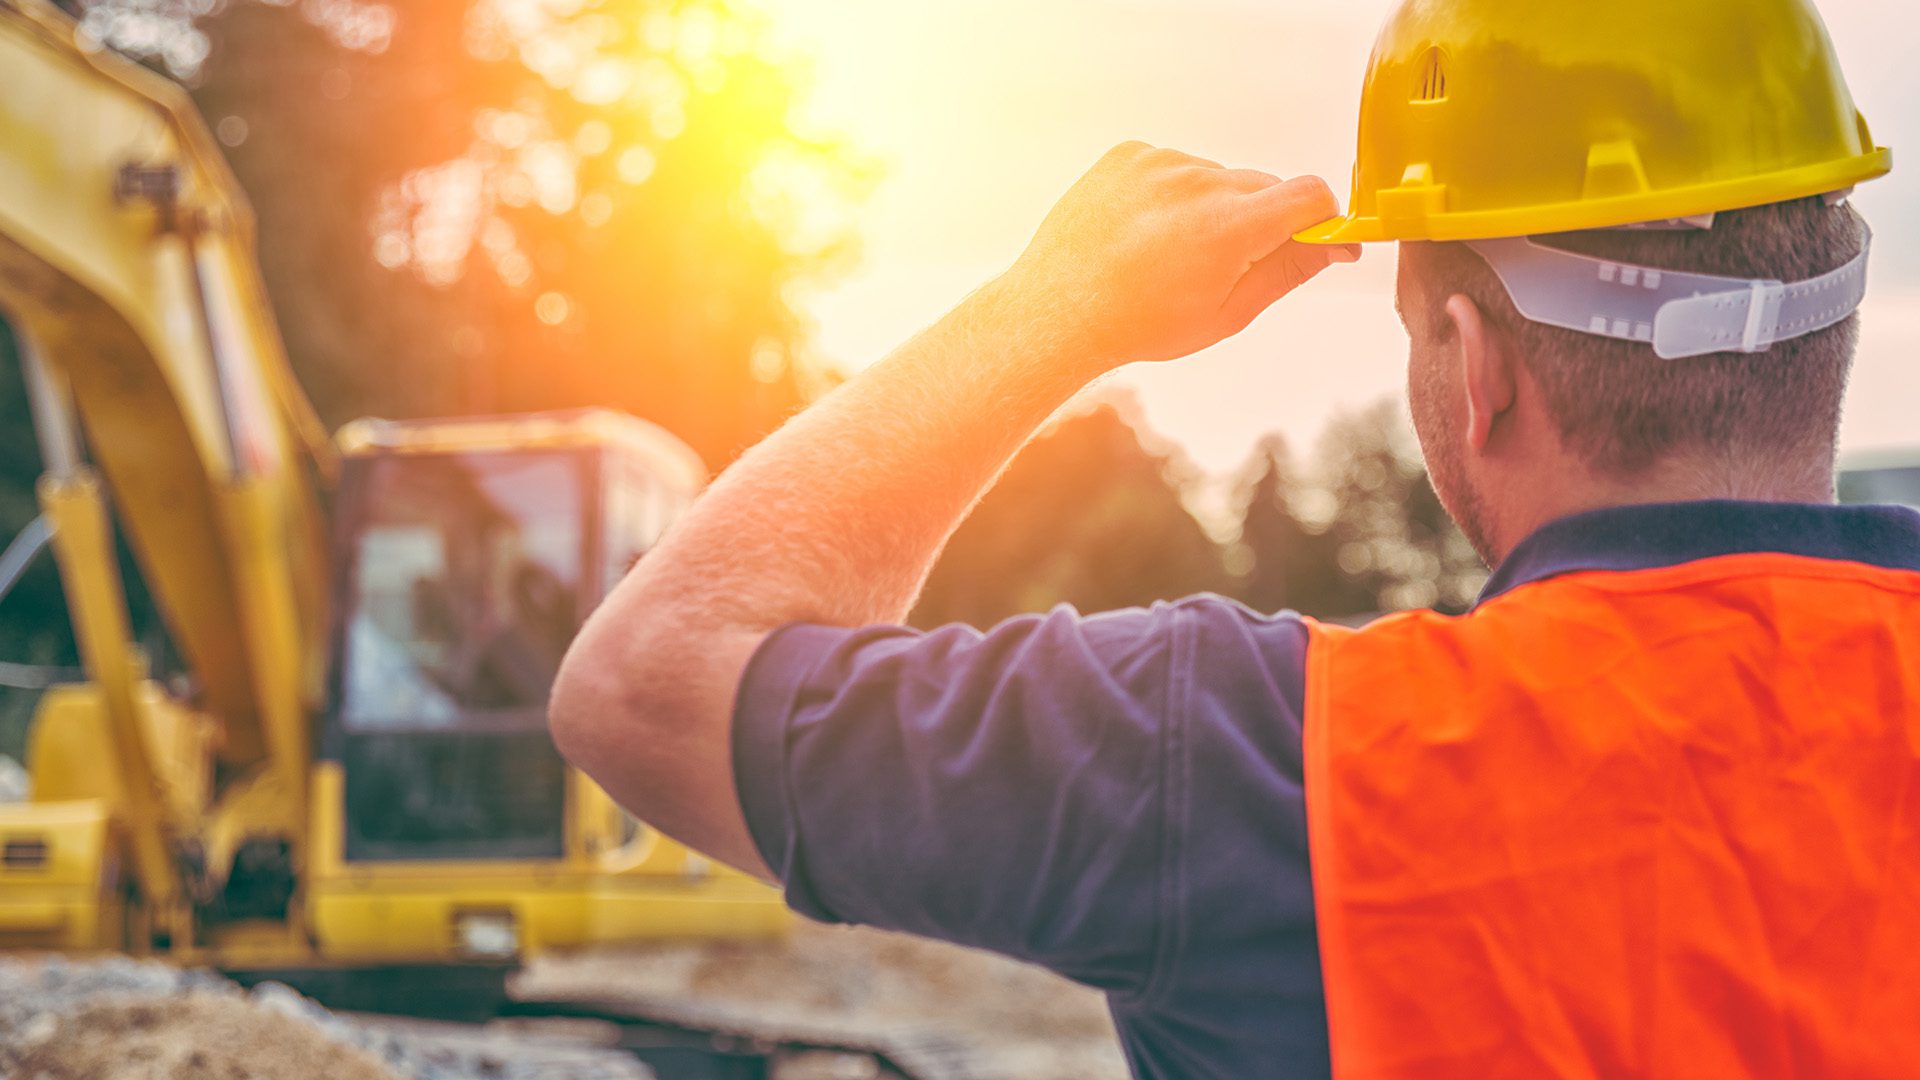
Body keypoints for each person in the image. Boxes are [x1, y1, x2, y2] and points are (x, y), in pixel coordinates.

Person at [550, 0, 1919, 1075]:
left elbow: (645, 687)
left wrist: (1055, 311)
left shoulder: (1251, 762)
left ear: (1471, 361)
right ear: (1835, 303)